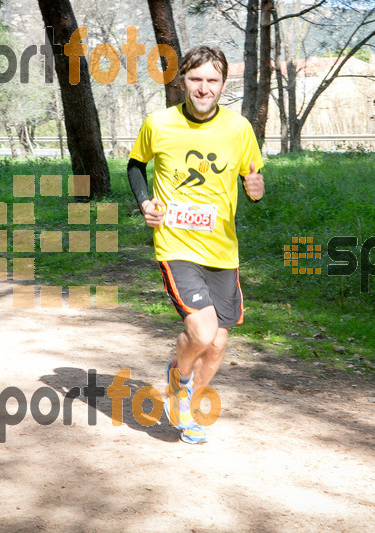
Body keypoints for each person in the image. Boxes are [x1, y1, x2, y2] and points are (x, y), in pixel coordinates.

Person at [127, 44, 264, 444]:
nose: (204, 88)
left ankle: (186, 401)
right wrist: (145, 203)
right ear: (182, 81)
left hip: (222, 250)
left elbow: (252, 180)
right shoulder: (159, 123)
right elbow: (136, 165)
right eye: (196, 79)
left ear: (223, 85)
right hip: (176, 245)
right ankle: (178, 377)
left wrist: (255, 189)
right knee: (202, 332)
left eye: (212, 81)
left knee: (219, 344)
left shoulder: (239, 129)